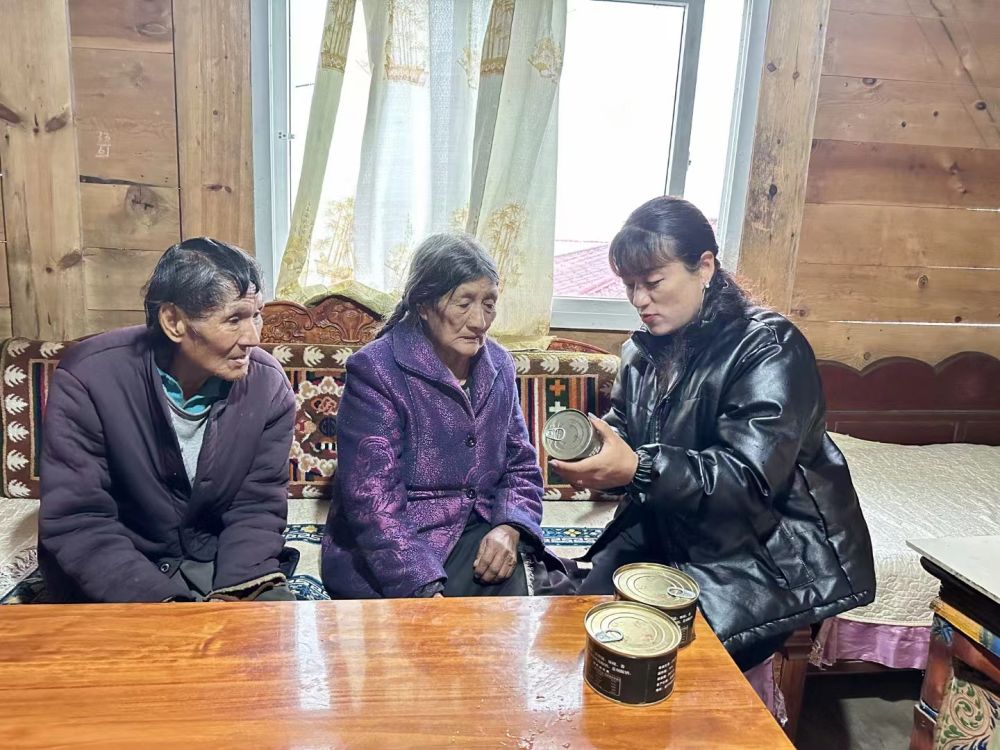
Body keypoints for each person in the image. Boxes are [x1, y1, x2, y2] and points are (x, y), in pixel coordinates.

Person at [553, 197, 876, 669]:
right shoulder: (642, 352)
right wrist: (601, 453)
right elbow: (629, 426)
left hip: (750, 556)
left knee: (658, 665)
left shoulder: (768, 346)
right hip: (665, 527)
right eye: (629, 286)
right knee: (581, 632)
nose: (639, 300)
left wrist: (638, 468)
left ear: (704, 266)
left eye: (653, 282)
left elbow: (748, 479)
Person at [39, 237, 298, 603]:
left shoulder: (267, 385)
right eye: (234, 319)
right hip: (118, 570)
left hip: (215, 560)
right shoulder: (88, 377)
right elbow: (79, 518)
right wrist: (165, 607)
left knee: (273, 630)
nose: (253, 337)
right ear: (174, 321)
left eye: (256, 314)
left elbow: (257, 505)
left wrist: (237, 595)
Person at [321, 233, 570, 598]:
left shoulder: (499, 365)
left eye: (489, 304)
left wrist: (510, 527)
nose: (479, 321)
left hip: (478, 529)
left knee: (550, 603)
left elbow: (521, 466)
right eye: (464, 303)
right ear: (424, 304)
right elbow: (373, 502)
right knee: (467, 624)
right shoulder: (376, 370)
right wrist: (421, 586)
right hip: (399, 548)